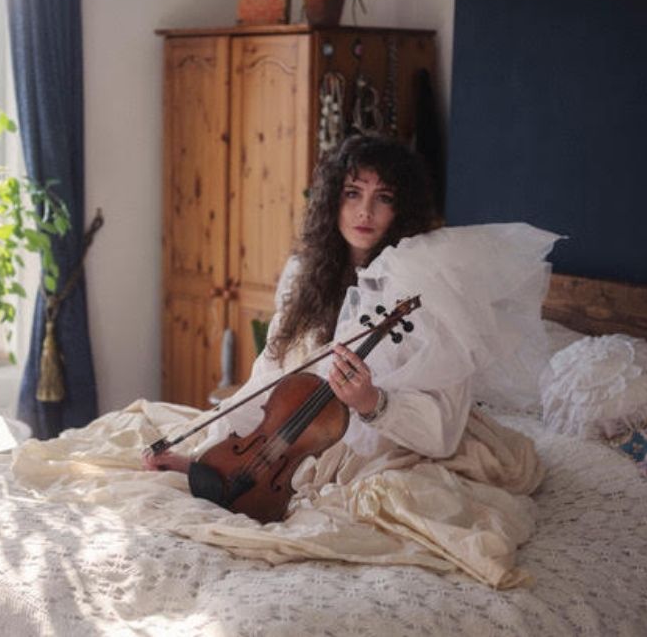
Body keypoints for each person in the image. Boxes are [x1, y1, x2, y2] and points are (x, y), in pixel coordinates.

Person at [143, 133, 549, 516]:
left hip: (394, 447)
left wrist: (373, 402)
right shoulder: (306, 274)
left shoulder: (424, 289)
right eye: (352, 193)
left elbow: (441, 429)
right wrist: (203, 460)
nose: (364, 212)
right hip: (295, 449)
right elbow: (266, 387)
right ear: (332, 201)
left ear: (402, 209)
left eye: (383, 198)